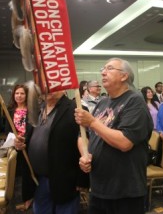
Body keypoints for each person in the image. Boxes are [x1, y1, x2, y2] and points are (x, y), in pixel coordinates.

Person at [74, 58, 153, 214]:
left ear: (124, 76)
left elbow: (125, 142)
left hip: (124, 191)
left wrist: (93, 122)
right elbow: (83, 136)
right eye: (103, 69)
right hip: (99, 187)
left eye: (109, 69)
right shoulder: (103, 102)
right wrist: (85, 155)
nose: (103, 72)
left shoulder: (135, 101)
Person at [14, 90, 89, 214]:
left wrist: (82, 179)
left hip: (65, 179)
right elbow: (29, 137)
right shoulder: (36, 109)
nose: (47, 89)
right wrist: (20, 143)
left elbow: (84, 141)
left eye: (52, 85)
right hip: (38, 179)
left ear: (63, 88)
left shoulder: (76, 109)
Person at [5, 84, 33, 211]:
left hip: (28, 146)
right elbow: (6, 130)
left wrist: (25, 140)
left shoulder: (32, 110)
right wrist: (14, 140)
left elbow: (34, 129)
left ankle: (28, 199)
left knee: (27, 174)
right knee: (14, 174)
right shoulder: (9, 110)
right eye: (17, 93)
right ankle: (13, 201)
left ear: (26, 95)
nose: (19, 96)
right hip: (14, 146)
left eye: (22, 93)